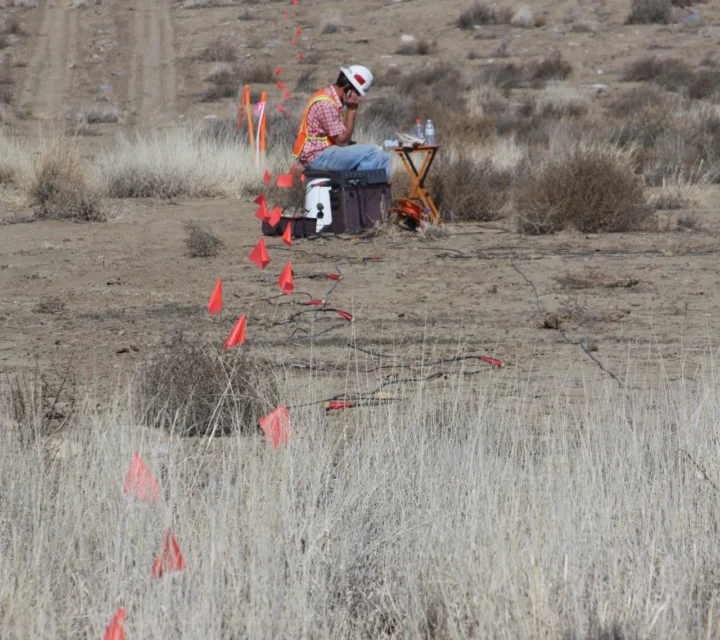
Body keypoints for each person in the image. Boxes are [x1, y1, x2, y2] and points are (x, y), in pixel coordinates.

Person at [292, 65, 391, 181]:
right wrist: (352, 110)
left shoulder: (332, 101)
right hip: (316, 156)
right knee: (373, 153)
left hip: (327, 152)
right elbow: (342, 141)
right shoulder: (326, 104)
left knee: (384, 157)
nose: (357, 97)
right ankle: (359, 193)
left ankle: (378, 194)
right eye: (357, 93)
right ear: (348, 87)